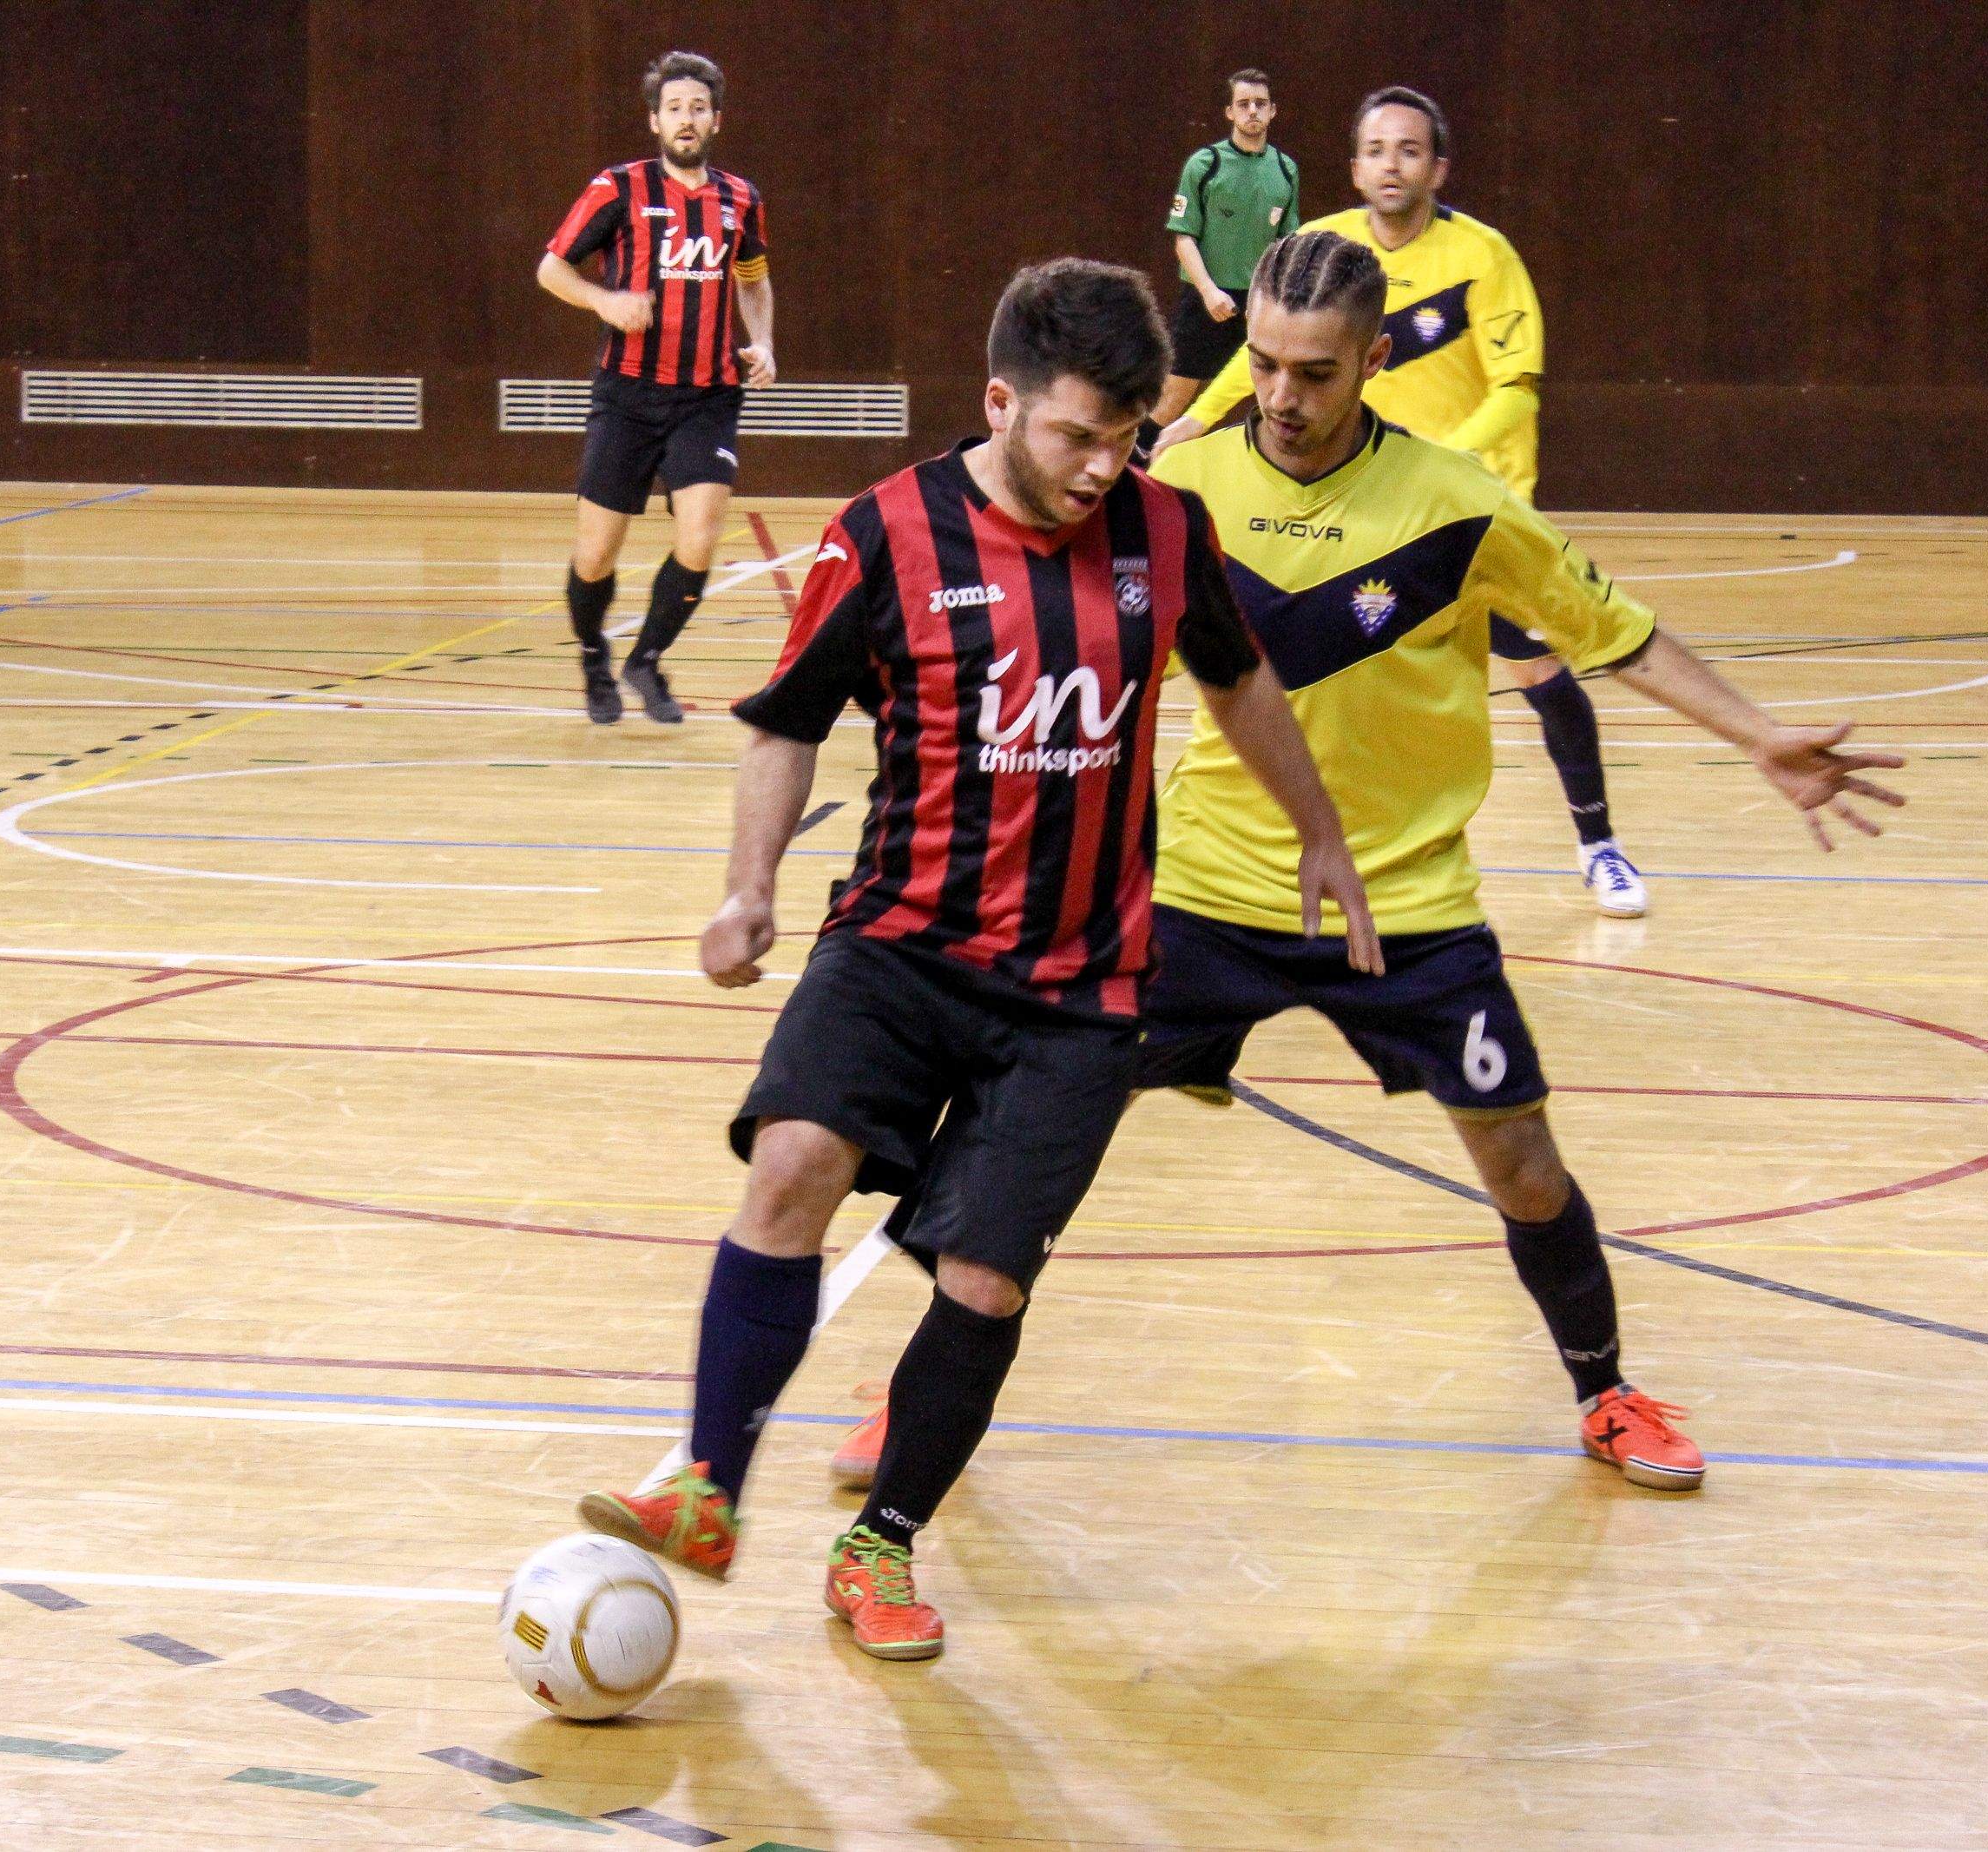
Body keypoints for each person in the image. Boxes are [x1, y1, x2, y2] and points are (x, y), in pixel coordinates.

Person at [836, 231, 1906, 1499]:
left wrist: (1758, 734)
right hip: (1204, 893)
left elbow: (1613, 632)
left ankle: (1605, 1391)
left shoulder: (1460, 504)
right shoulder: (1176, 486)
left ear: (1376, 360)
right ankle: (918, 1401)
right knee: (1028, 1138)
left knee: (1523, 1164)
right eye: (1262, 363)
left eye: (1315, 372)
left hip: (1405, 902)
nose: (1280, 395)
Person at [576, 259, 1375, 1663]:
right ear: (1000, 403)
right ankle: (706, 1484)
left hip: (1080, 990)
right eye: (1076, 435)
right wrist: (748, 889)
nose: (1102, 466)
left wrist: (1319, 831)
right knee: (790, 1166)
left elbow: (1238, 676)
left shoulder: (1166, 530)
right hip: (900, 945)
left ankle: (879, 1543)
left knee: (986, 1281)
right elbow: (787, 719)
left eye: (1125, 437)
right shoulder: (885, 532)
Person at [1154, 86, 1649, 917]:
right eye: (1377, 150)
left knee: (1541, 670)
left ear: (1439, 168)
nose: (1393, 165)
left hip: (1451, 522)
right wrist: (1200, 417)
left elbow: (1517, 389)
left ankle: (1599, 843)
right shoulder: (1322, 252)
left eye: (1410, 150)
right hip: (1349, 511)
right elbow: (1263, 352)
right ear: (1353, 168)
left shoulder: (1484, 256)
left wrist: (1433, 472)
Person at [539, 50, 774, 725]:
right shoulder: (618, 189)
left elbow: (754, 280)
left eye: (698, 108)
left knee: (700, 539)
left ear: (717, 120)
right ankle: (594, 656)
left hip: (708, 396)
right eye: (674, 108)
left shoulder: (740, 199)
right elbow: (552, 269)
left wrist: (763, 342)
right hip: (627, 395)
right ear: (655, 120)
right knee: (595, 554)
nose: (686, 119)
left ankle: (645, 659)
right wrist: (604, 302)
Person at [1152, 69, 1300, 434]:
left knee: (1267, 397)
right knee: (1172, 398)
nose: (1253, 111)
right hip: (1208, 300)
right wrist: (1209, 292)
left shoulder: (1285, 170)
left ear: (1273, 111)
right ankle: (1138, 460)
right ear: (1230, 112)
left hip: (1258, 305)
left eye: (1260, 104)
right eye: (1243, 104)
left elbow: (1286, 245)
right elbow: (1183, 238)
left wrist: (1276, 299)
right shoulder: (1205, 165)